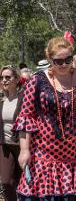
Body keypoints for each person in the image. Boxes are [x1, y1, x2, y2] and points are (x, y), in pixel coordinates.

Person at [13, 36, 76, 200]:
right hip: (44, 160)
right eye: (58, 61)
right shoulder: (36, 81)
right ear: (50, 59)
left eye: (68, 59)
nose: (64, 64)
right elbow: (26, 117)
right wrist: (24, 150)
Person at [0, 66, 22, 201]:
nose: (4, 80)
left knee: (23, 182)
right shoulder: (1, 101)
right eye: (2, 78)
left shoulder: (24, 99)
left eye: (8, 77)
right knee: (6, 182)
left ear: (17, 79)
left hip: (22, 146)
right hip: (5, 146)